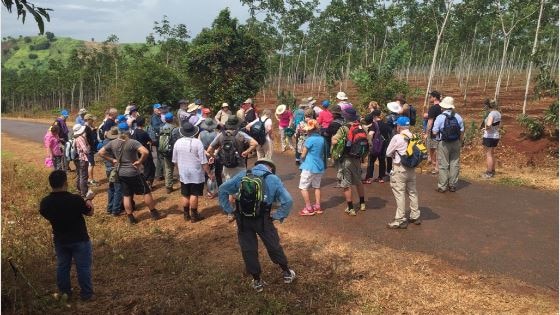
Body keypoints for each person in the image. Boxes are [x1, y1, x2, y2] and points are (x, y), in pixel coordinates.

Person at [218, 158, 296, 292]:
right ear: (270, 168)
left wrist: (230, 210)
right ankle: (287, 273)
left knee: (248, 249)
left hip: (243, 219)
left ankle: (257, 281)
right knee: (273, 245)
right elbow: (288, 201)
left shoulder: (243, 175)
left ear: (258, 165)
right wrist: (277, 215)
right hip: (263, 220)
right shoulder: (273, 179)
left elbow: (222, 189)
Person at [40, 170, 94, 301]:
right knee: (83, 268)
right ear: (65, 183)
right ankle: (86, 294)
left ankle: (65, 294)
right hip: (80, 238)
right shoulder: (75, 199)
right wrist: (89, 201)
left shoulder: (45, 202)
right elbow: (90, 212)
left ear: (51, 184)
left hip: (60, 239)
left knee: (62, 267)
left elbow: (45, 214)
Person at [98, 122, 164, 224]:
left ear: (118, 131)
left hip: (121, 172)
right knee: (146, 192)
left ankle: (130, 217)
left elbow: (100, 152)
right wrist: (140, 161)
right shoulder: (133, 142)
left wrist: (112, 160)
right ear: (128, 130)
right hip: (134, 172)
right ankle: (154, 212)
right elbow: (145, 152)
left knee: (127, 195)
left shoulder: (113, 142)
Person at [207, 115, 258, 221]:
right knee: (243, 187)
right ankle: (245, 210)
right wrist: (246, 152)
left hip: (226, 166)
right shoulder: (241, 134)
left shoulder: (221, 135)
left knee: (230, 188)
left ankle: (231, 213)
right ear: (237, 125)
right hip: (240, 165)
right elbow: (255, 143)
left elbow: (209, 151)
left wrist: (217, 158)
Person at [173, 122, 213, 222]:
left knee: (185, 194)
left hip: (183, 173)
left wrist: (179, 171)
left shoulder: (177, 142)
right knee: (194, 194)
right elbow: (203, 161)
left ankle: (186, 215)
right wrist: (209, 173)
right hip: (196, 173)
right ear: (194, 132)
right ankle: (194, 216)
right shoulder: (197, 142)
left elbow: (175, 160)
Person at [385, 116, 421, 229]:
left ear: (399, 126)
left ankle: (400, 219)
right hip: (411, 168)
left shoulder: (397, 137)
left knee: (399, 193)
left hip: (399, 168)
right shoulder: (414, 136)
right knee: (412, 192)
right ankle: (415, 215)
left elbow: (387, 153)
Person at [331, 108, 366, 215]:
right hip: (357, 159)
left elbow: (334, 140)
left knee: (346, 184)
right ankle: (362, 203)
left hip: (346, 159)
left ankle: (351, 208)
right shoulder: (362, 127)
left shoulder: (343, 128)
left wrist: (334, 140)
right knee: (359, 182)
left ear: (345, 117)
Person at [432, 96, 465, 193]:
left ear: (443, 107)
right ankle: (453, 185)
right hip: (456, 142)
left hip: (444, 143)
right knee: (455, 164)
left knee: (443, 164)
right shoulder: (458, 117)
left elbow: (434, 132)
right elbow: (462, 131)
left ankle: (442, 186)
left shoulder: (440, 117)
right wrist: (461, 141)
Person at [298, 119, 326, 216]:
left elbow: (303, 154)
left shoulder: (309, 139)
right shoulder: (322, 139)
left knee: (303, 187)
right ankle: (317, 206)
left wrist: (301, 159)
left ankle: (308, 208)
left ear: (310, 130)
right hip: (319, 166)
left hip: (309, 166)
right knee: (317, 186)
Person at [100, 126, 123, 216]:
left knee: (111, 188)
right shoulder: (116, 143)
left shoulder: (105, 142)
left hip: (108, 168)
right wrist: (112, 160)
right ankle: (115, 210)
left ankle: (110, 208)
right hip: (115, 168)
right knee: (118, 189)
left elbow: (100, 153)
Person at [199, 118, 222, 192]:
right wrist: (214, 154)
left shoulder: (201, 134)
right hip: (215, 154)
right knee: (217, 172)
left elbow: (200, 146)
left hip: (205, 155)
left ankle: (209, 189)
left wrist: (206, 153)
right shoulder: (217, 134)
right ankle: (219, 188)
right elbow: (219, 146)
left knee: (207, 172)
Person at [132, 117, 156, 187]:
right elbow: (150, 141)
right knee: (150, 168)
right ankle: (147, 184)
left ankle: (145, 183)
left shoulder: (135, 132)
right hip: (145, 151)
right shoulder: (143, 133)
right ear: (143, 123)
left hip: (138, 152)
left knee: (144, 167)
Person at [482, 99, 501, 179]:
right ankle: (493, 170)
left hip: (489, 136)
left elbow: (489, 125)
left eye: (485, 105)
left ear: (488, 106)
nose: (484, 107)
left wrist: (485, 128)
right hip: (496, 135)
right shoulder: (498, 113)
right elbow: (497, 124)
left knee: (488, 155)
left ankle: (489, 172)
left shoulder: (491, 114)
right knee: (492, 154)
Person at [424, 91, 442, 175]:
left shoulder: (433, 108)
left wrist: (427, 132)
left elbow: (430, 122)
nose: (429, 98)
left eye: (430, 97)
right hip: (442, 132)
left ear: (434, 97)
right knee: (438, 150)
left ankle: (435, 167)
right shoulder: (443, 107)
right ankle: (436, 166)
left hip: (433, 132)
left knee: (432, 149)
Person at [159, 113, 177, 194]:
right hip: (174, 150)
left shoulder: (161, 128)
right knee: (179, 167)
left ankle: (168, 186)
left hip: (165, 150)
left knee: (168, 168)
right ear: (172, 119)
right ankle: (184, 183)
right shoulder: (175, 129)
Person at [385, 101, 402, 178]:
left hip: (390, 136)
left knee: (389, 153)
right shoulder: (400, 117)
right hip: (399, 135)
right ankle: (398, 169)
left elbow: (388, 129)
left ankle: (389, 171)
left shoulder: (388, 117)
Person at [73, 124, 90, 197]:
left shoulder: (75, 138)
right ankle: (84, 192)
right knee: (83, 176)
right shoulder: (80, 138)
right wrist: (88, 147)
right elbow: (85, 150)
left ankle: (79, 189)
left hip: (77, 159)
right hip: (82, 159)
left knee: (79, 174)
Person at [150, 104, 165, 182]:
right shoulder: (154, 117)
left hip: (159, 138)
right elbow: (156, 127)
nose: (160, 109)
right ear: (154, 109)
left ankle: (159, 174)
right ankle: (159, 174)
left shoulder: (158, 116)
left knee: (160, 156)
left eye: (160, 108)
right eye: (158, 108)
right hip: (157, 139)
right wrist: (165, 125)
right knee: (160, 156)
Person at [83, 114, 98, 186]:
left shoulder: (87, 127)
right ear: (88, 120)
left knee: (90, 164)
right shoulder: (86, 127)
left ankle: (89, 179)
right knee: (91, 164)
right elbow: (85, 137)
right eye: (91, 120)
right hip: (89, 149)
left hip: (89, 148)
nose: (93, 121)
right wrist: (88, 145)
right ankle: (91, 180)